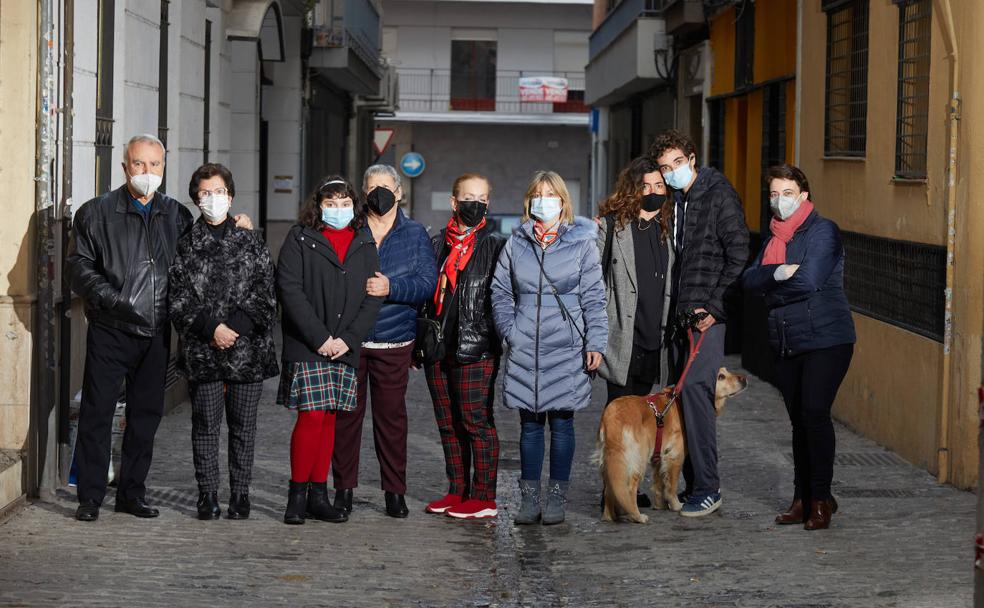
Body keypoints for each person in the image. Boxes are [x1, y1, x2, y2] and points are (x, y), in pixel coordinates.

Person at [67, 134, 251, 522]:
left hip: (157, 333)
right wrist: (113, 299)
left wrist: (236, 226)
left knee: (145, 417)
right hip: (111, 328)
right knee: (97, 414)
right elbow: (78, 268)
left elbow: (203, 250)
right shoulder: (95, 213)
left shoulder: (176, 215)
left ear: (164, 169)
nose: (147, 172)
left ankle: (132, 493)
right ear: (124, 167)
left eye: (154, 165)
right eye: (139, 164)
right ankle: (90, 496)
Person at [741, 164, 855, 530]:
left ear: (803, 195)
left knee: (814, 414)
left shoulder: (823, 231)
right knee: (798, 423)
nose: (779, 201)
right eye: (773, 194)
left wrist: (770, 291)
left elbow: (808, 281)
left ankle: (820, 499)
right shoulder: (774, 238)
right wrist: (775, 273)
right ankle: (802, 498)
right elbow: (748, 279)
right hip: (788, 340)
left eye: (787, 193)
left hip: (827, 339)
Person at [490, 170, 607, 525]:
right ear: (529, 201)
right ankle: (529, 498)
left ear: (562, 201)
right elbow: (500, 291)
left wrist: (595, 342)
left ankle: (556, 497)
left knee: (562, 424)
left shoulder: (582, 244)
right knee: (529, 427)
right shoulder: (516, 243)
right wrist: (511, 331)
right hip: (526, 347)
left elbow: (594, 299)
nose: (544, 200)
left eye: (551, 194)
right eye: (538, 194)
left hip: (567, 347)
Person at [167, 163, 278, 521]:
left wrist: (235, 328)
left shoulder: (251, 240)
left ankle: (241, 494)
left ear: (230, 196)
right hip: (204, 349)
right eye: (205, 193)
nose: (213, 199)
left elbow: (266, 293)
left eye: (219, 192)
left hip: (246, 350)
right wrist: (212, 328)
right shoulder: (186, 244)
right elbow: (178, 298)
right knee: (205, 425)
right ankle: (208, 494)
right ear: (195, 198)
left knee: (244, 427)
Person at [650, 129, 749, 517]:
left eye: (677, 163)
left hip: (706, 317)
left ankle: (708, 487)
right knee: (683, 399)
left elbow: (739, 252)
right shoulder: (678, 201)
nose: (671, 171)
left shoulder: (717, 193)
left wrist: (713, 306)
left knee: (697, 395)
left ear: (691, 158)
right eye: (664, 167)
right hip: (680, 318)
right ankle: (690, 484)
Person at [276, 176, 384, 525]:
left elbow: (372, 296)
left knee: (331, 418)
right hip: (310, 344)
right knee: (311, 416)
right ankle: (297, 495)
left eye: (344, 203)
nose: (338, 210)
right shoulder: (300, 237)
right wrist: (320, 337)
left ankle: (318, 495)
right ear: (318, 206)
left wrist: (349, 339)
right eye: (330, 203)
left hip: (344, 345)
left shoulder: (365, 242)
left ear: (354, 206)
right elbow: (290, 290)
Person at [331, 165, 437, 518]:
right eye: (372, 187)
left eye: (386, 187)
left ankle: (395, 492)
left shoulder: (415, 234)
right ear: (362, 191)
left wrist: (392, 287)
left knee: (392, 422)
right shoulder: (349, 227)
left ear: (399, 191)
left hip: (394, 341)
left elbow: (426, 283)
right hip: (350, 341)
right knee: (345, 420)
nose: (380, 193)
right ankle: (343, 490)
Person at [422, 173, 506, 520]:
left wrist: (492, 336)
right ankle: (457, 489)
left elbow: (503, 297)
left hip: (476, 345)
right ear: (454, 202)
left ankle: (484, 495)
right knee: (447, 421)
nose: (476, 203)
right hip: (438, 343)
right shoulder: (436, 242)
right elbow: (426, 294)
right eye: (469, 197)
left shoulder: (497, 245)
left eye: (483, 197)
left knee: (476, 421)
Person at [596, 156, 675, 508]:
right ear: (633, 189)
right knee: (618, 420)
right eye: (647, 186)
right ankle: (612, 492)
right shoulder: (613, 226)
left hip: (652, 337)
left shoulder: (667, 228)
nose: (654, 192)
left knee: (643, 419)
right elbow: (593, 280)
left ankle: (630, 484)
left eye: (660, 186)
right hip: (621, 338)